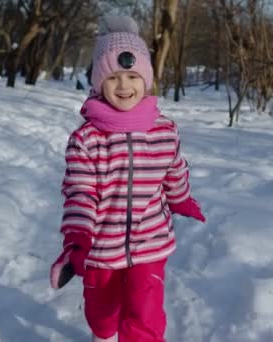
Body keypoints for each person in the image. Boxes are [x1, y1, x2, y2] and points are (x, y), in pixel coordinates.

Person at [50, 15, 205, 342]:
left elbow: (173, 169)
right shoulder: (87, 139)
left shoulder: (164, 130)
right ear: (98, 83)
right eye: (114, 77)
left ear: (146, 79)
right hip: (101, 248)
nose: (124, 86)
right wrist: (77, 238)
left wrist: (181, 198)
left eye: (133, 75)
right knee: (102, 316)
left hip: (151, 243)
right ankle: (103, 335)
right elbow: (80, 192)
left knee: (145, 315)